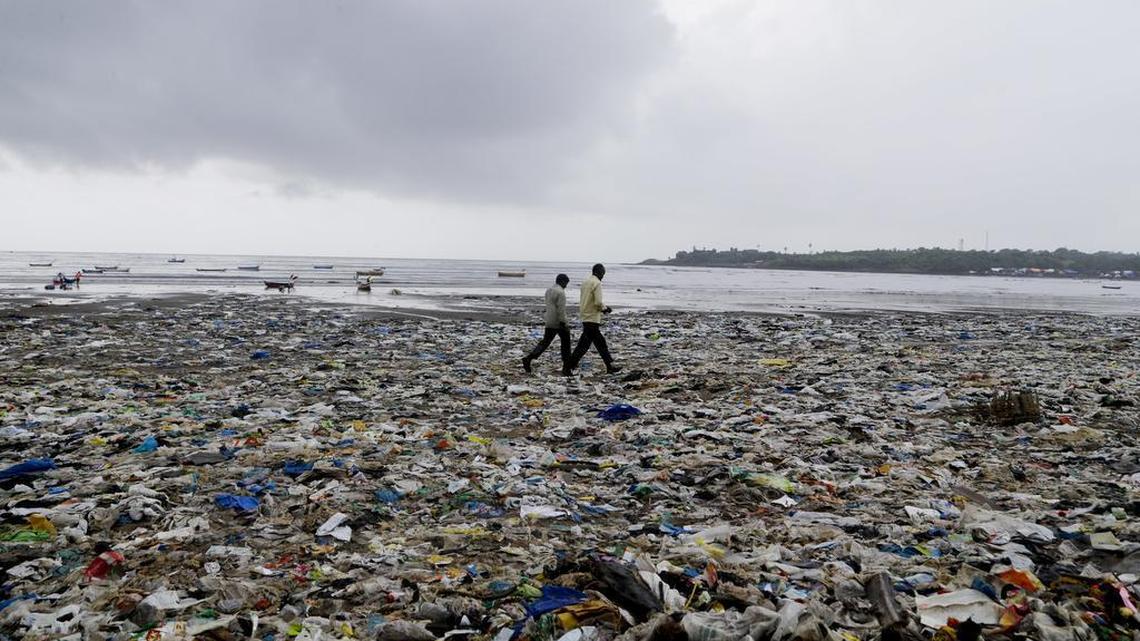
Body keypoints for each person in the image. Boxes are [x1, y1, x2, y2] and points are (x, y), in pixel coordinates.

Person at [564, 263, 620, 376]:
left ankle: (609, 366)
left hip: (585, 315)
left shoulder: (585, 282)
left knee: (592, 344)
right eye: (603, 273)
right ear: (599, 272)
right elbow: (598, 302)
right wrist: (605, 309)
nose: (603, 276)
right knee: (590, 345)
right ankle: (567, 367)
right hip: (593, 318)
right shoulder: (597, 283)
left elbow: (588, 300)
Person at [522, 274, 571, 372]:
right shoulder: (561, 292)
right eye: (566, 283)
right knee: (566, 344)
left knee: (545, 342)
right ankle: (566, 368)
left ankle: (529, 358)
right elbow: (561, 310)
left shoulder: (549, 290)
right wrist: (564, 323)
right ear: (562, 282)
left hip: (549, 320)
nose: (566, 286)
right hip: (558, 322)